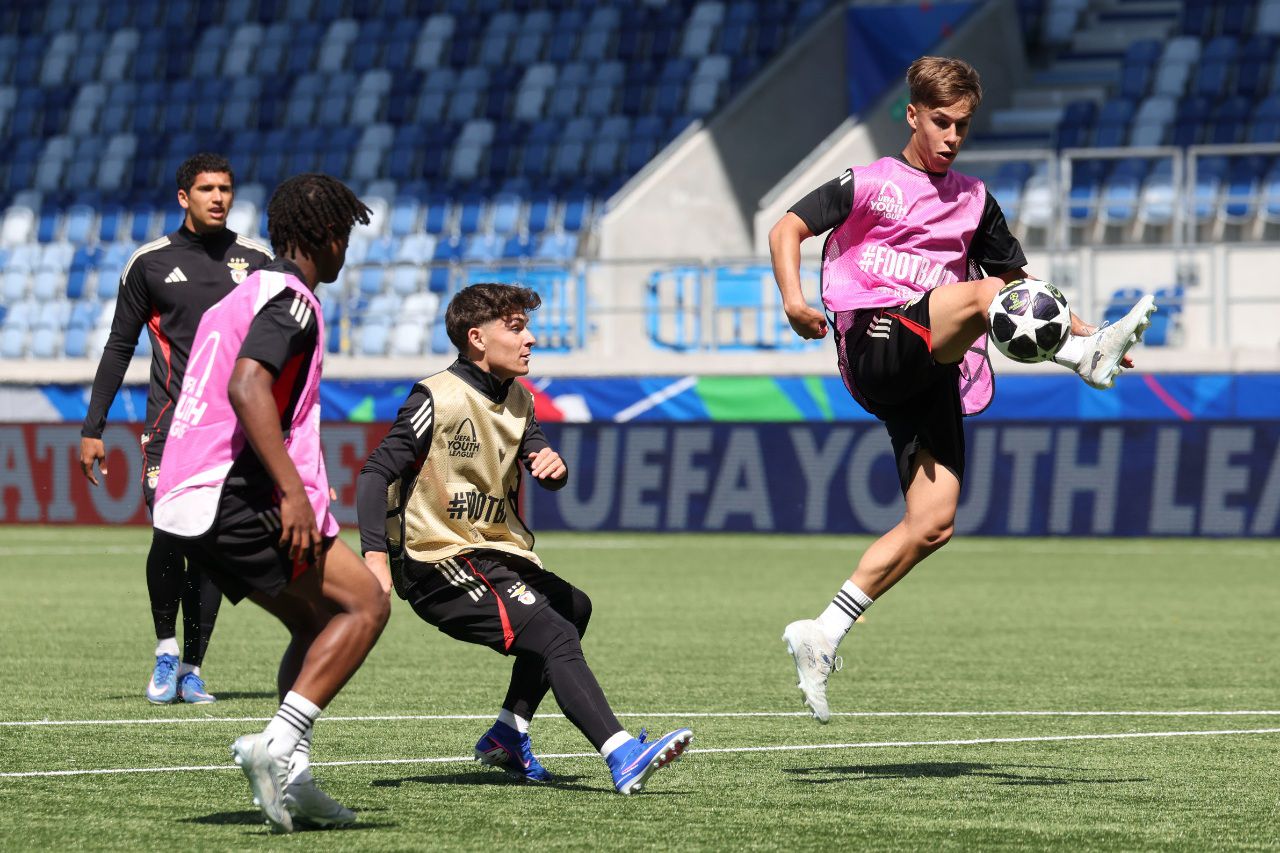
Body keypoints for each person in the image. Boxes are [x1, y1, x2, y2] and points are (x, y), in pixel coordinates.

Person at [769, 56, 1156, 723]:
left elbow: (1027, 294)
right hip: (877, 341)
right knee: (983, 292)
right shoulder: (871, 183)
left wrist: (1098, 335)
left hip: (932, 367)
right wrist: (794, 300)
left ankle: (823, 631)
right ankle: (1081, 361)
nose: (951, 136)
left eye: (963, 126)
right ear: (913, 114)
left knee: (935, 522)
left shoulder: (976, 202)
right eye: (941, 121)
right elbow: (787, 228)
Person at [356, 283, 692, 795]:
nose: (530, 338)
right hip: (436, 559)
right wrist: (377, 561)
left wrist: (551, 468)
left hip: (490, 551)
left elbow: (538, 458)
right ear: (476, 339)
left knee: (573, 608)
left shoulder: (519, 400)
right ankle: (622, 752)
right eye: (516, 328)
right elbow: (375, 472)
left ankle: (508, 736)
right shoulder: (436, 397)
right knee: (555, 633)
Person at [152, 174, 390, 832]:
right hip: (235, 491)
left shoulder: (242, 294)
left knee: (317, 623)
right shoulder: (292, 301)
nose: (346, 252)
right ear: (328, 236)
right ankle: (277, 746)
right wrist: (292, 491)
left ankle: (293, 780)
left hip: (186, 497)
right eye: (346, 237)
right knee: (367, 601)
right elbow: (248, 386)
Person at [80, 153, 273, 705]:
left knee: (209, 543)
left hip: (232, 430)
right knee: (171, 531)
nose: (219, 197)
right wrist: (93, 427)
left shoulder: (256, 262)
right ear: (183, 198)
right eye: (207, 189)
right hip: (171, 426)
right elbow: (120, 346)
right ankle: (165, 652)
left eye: (226, 188)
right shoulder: (150, 263)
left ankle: (192, 668)